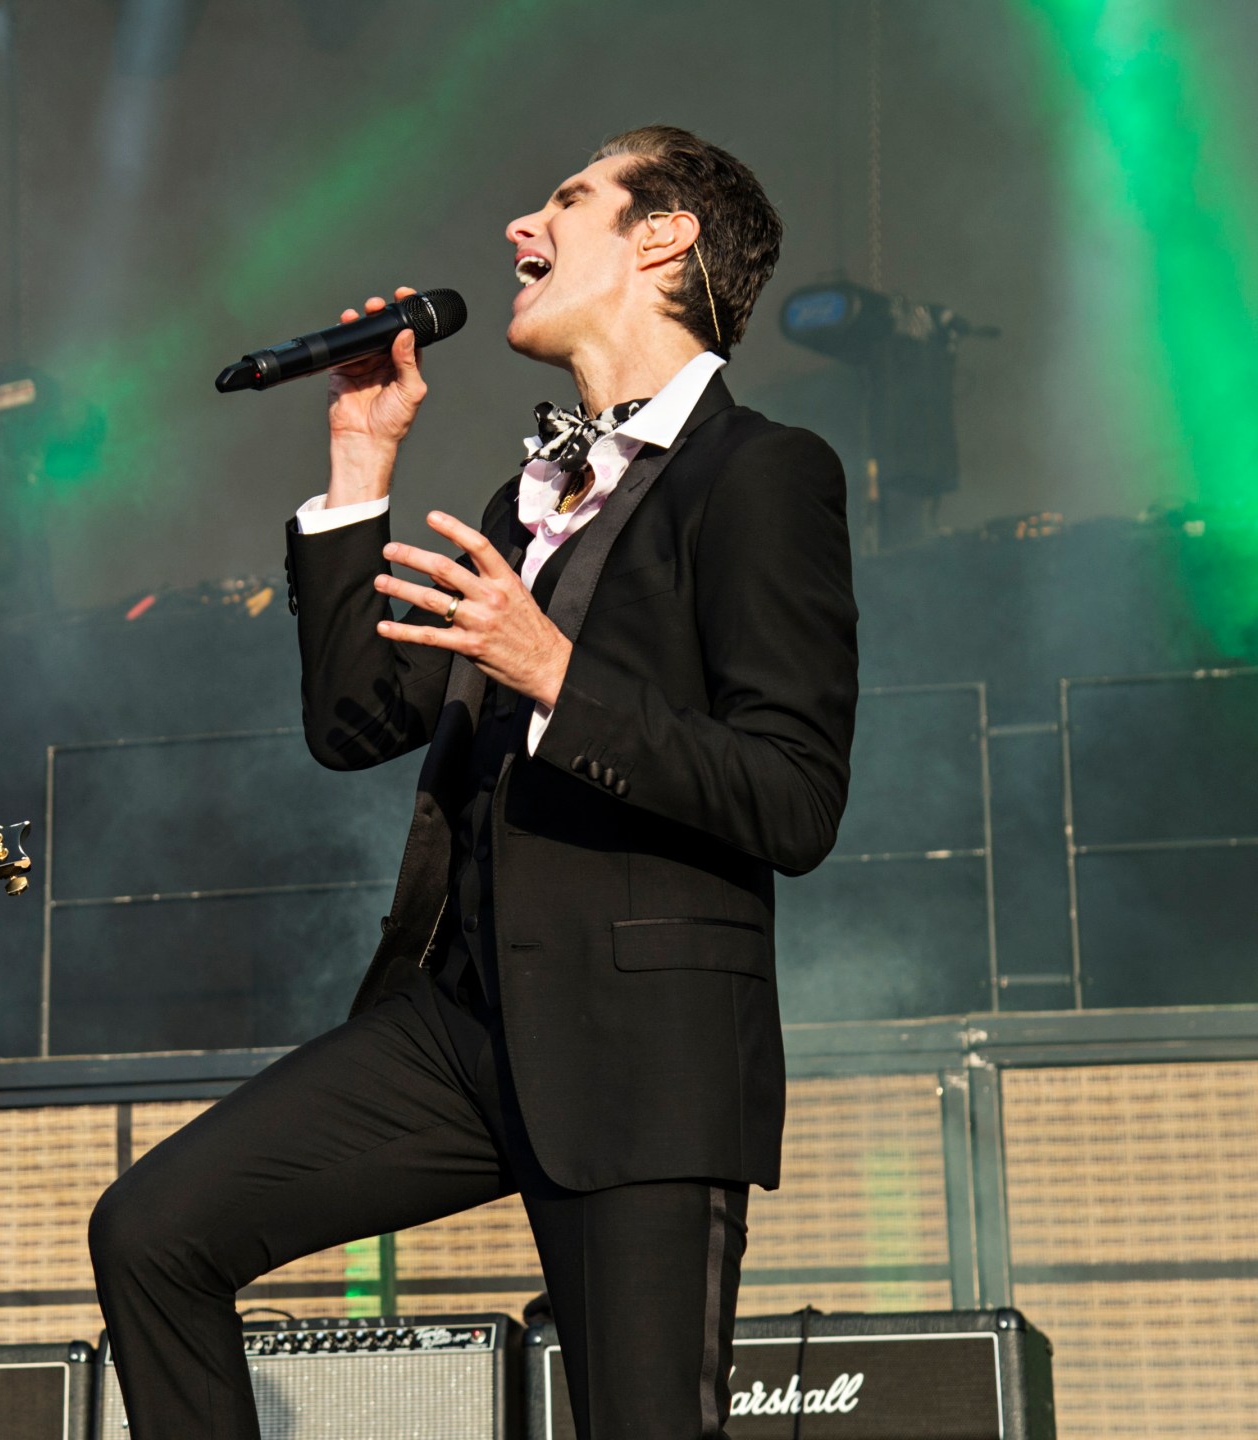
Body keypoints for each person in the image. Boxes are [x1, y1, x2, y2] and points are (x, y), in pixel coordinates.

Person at [89, 126, 858, 1438]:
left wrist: (555, 673)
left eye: (567, 199)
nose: (519, 226)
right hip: (462, 1025)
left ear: (664, 237)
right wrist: (359, 459)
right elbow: (355, 722)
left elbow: (794, 798)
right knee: (155, 1231)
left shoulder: (764, 472)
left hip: (641, 1052)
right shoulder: (529, 499)